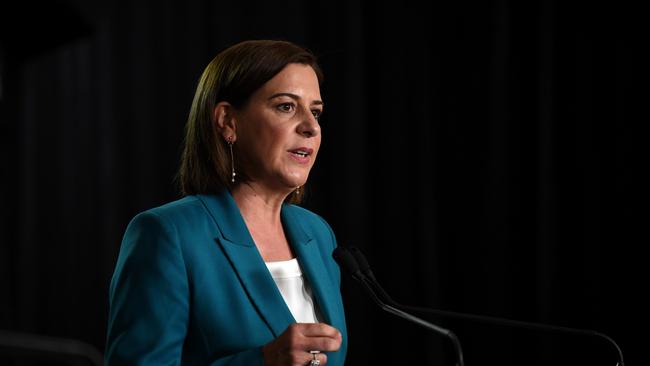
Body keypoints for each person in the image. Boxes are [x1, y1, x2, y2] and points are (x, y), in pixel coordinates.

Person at [105, 40, 347, 366]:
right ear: (228, 122)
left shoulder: (318, 234)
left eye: (315, 111)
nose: (311, 127)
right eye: (286, 106)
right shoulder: (167, 234)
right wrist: (262, 361)